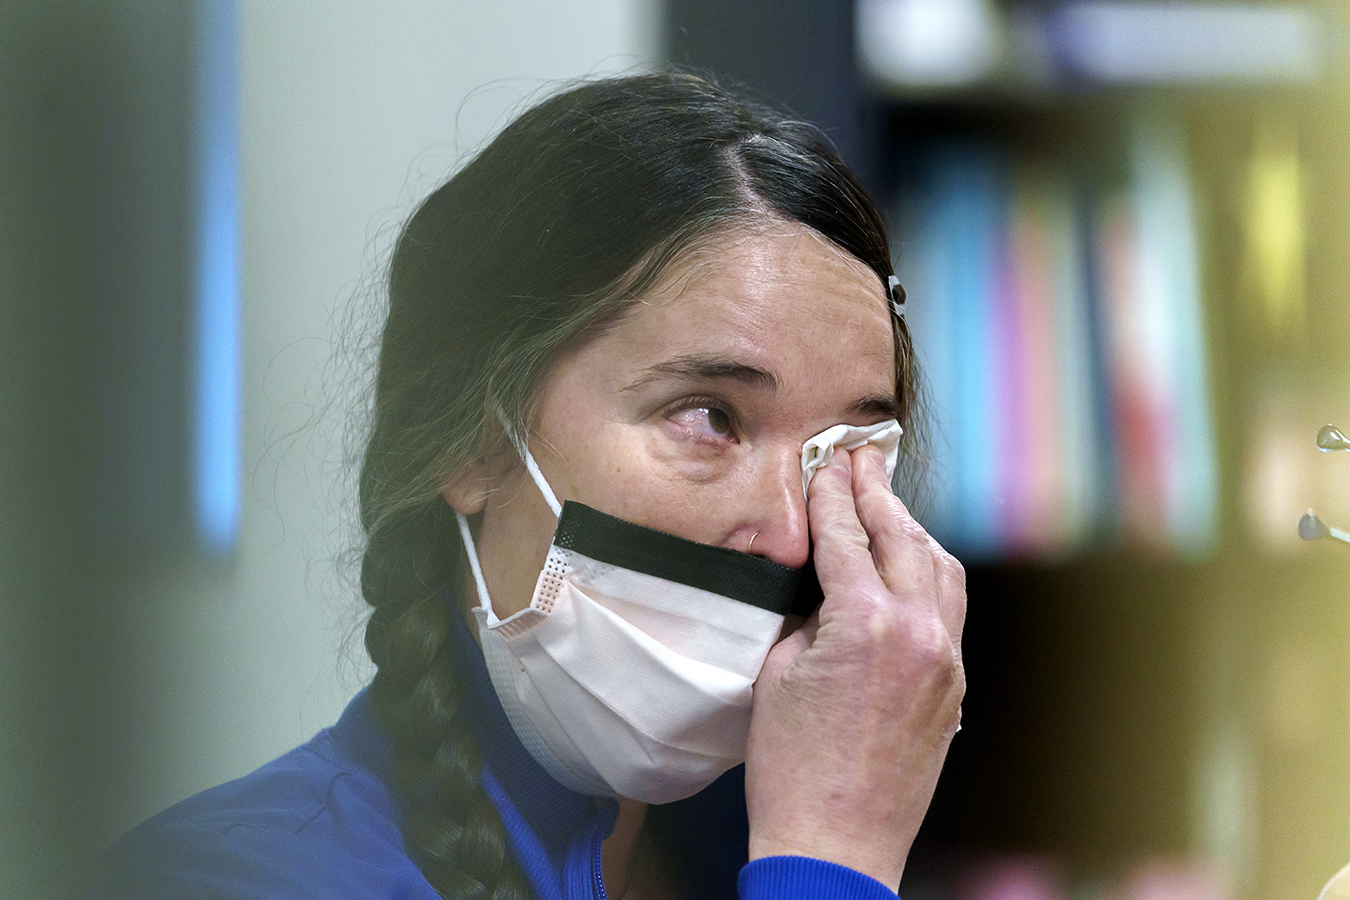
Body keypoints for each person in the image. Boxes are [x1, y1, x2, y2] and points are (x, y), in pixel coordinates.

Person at [87, 72, 965, 900]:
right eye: (708, 417)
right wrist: (829, 860)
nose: (793, 537)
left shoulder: (744, 846)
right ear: (475, 444)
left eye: (846, 450)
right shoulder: (224, 878)